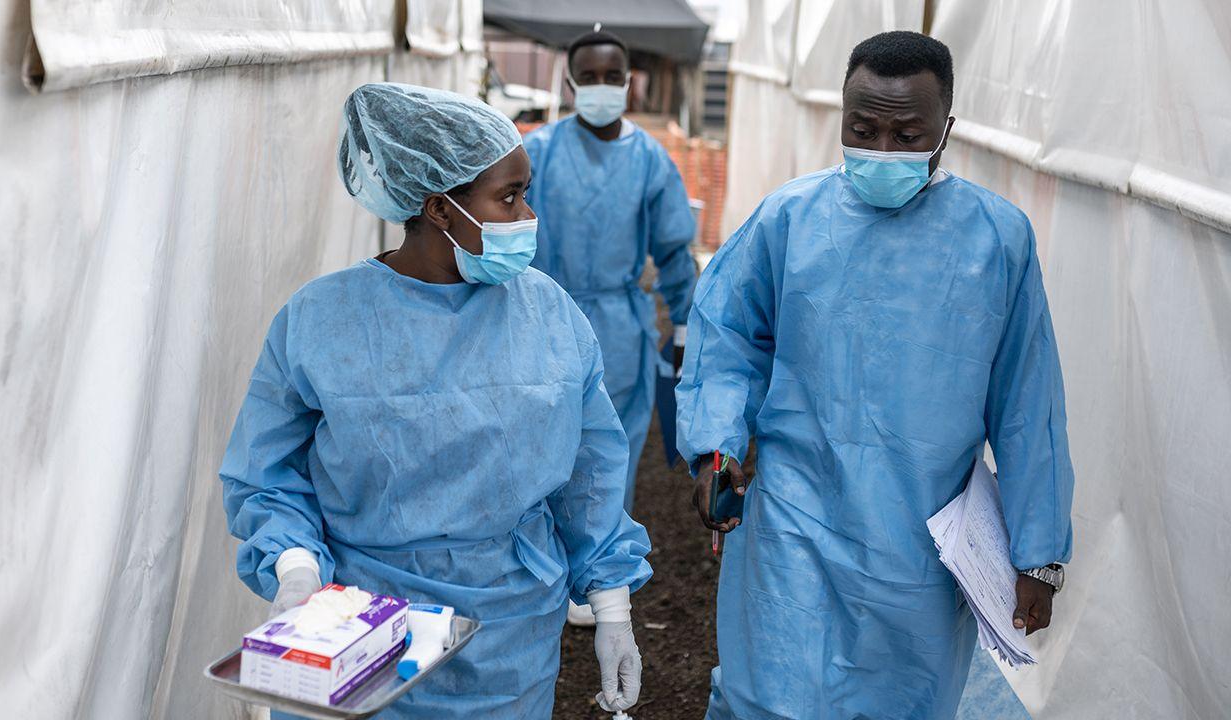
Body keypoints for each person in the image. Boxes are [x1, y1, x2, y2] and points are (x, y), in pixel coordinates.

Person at [220, 83, 651, 720]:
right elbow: (266, 475)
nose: (527, 215)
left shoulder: (550, 315)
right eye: (508, 197)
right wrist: (294, 569)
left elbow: (589, 474)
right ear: (441, 209)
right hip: (359, 628)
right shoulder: (320, 319)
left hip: (510, 636)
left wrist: (612, 608)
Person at [677, 32, 1074, 719]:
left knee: (901, 700)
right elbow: (727, 340)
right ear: (840, 119)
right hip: (793, 519)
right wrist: (718, 447)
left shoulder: (997, 239)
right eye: (863, 130)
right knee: (770, 695)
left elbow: (1027, 402)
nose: (882, 149)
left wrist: (1036, 558)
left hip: (918, 540)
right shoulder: (789, 220)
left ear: (945, 130)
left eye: (906, 132)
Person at [524, 28, 698, 516]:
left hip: (619, 331)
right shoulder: (536, 153)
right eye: (589, 77)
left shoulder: (650, 161)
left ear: (629, 82)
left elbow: (673, 251)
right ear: (570, 84)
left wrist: (683, 328)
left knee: (607, 456)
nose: (601, 85)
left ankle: (602, 579)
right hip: (541, 320)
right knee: (540, 450)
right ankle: (544, 572)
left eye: (612, 76)